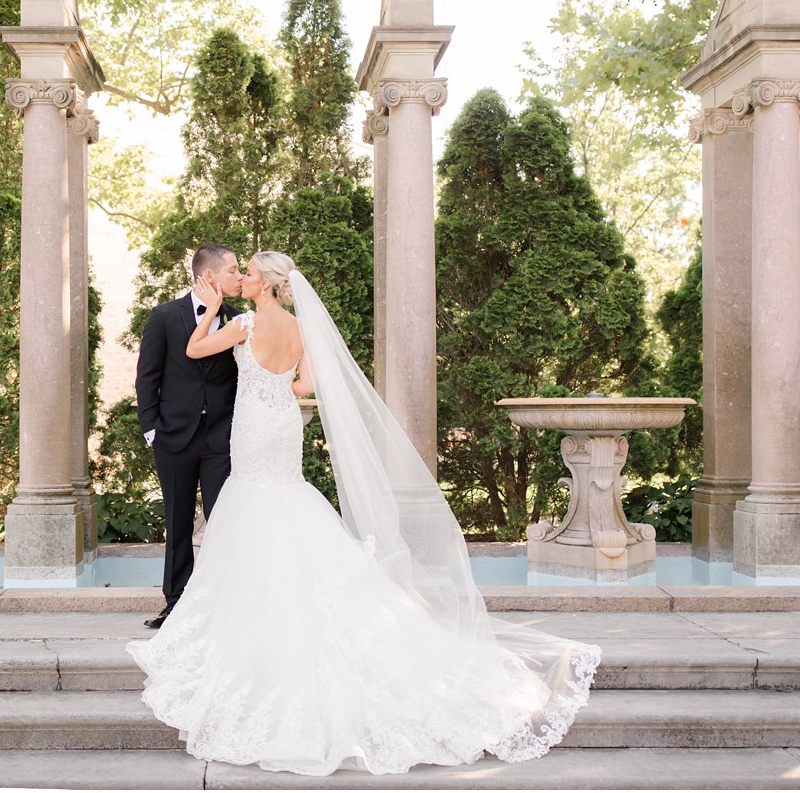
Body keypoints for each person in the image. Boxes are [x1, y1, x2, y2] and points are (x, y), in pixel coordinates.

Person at [127, 251, 600, 776]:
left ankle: (252, 609)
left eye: (251, 274)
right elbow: (306, 386)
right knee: (286, 499)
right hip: (283, 423)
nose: (244, 279)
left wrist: (216, 312)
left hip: (254, 428)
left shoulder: (244, 324)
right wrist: (275, 383)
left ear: (267, 285)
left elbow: (195, 348)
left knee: (252, 505)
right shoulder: (300, 327)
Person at [135, 244, 243, 629]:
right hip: (173, 437)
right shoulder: (165, 316)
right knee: (177, 522)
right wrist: (152, 430)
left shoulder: (238, 319)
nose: (239, 276)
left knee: (223, 521)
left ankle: (221, 602)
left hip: (221, 439)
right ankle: (176, 604)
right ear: (209, 276)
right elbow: (147, 377)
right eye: (233, 270)